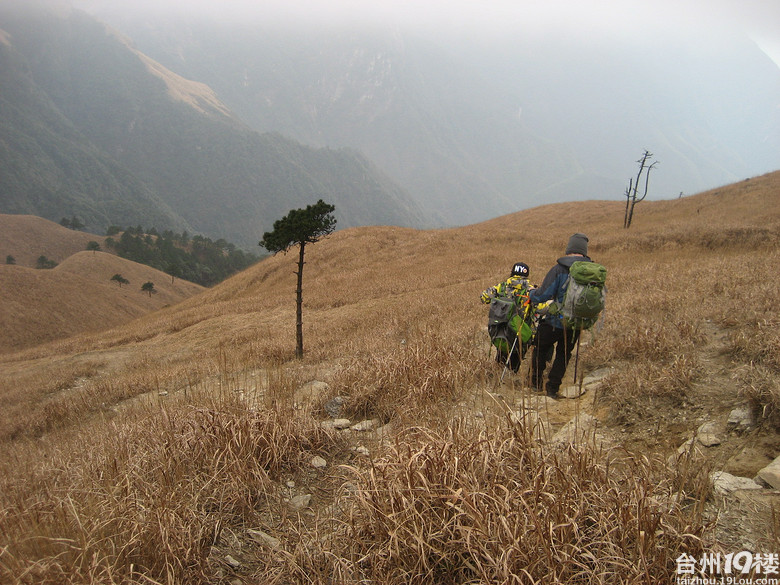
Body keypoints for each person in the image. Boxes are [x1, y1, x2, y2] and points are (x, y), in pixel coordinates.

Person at [529, 233, 591, 398]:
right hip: (576, 323)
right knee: (564, 354)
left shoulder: (559, 269)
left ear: (569, 248)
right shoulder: (592, 271)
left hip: (554, 321)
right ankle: (553, 389)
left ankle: (535, 384)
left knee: (540, 348)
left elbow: (543, 295)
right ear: (584, 251)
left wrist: (531, 293)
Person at [481, 262, 534, 373]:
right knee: (518, 352)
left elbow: (484, 298)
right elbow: (541, 308)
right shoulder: (531, 291)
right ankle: (510, 376)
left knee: (502, 350)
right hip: (520, 329)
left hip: (502, 327)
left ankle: (497, 373)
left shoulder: (502, 286)